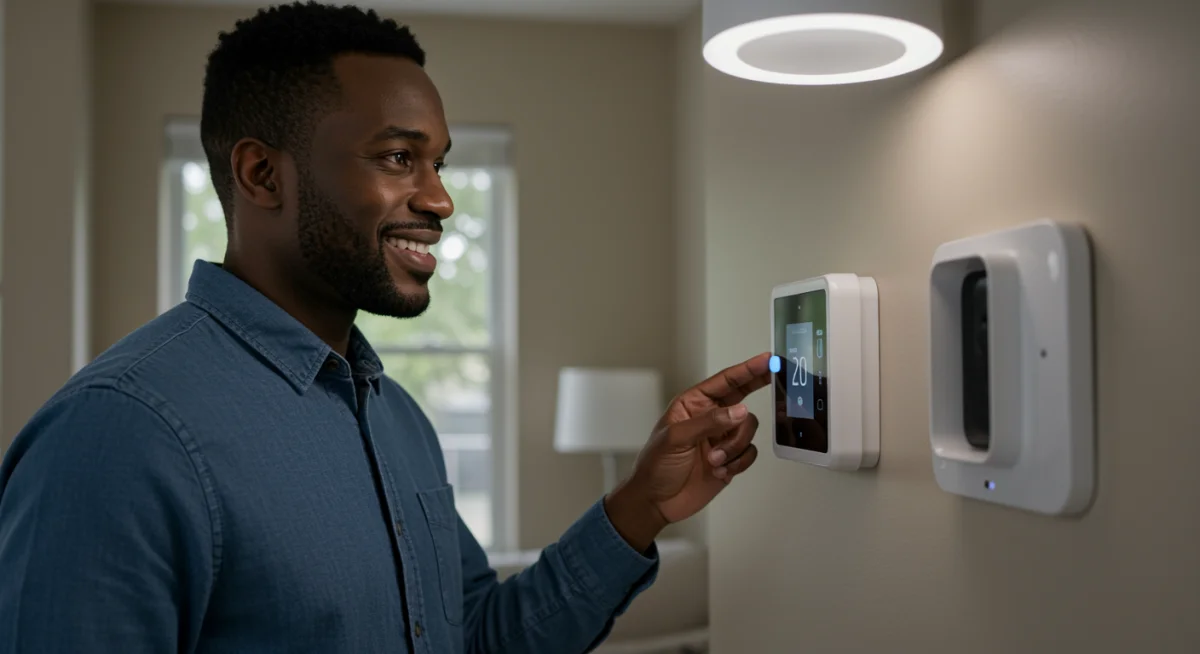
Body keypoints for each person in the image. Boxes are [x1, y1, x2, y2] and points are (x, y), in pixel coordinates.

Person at [0, 3, 770, 652]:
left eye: (438, 163)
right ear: (262, 174)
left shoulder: (395, 418)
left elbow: (477, 636)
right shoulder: (117, 435)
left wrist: (642, 504)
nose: (440, 200)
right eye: (399, 157)